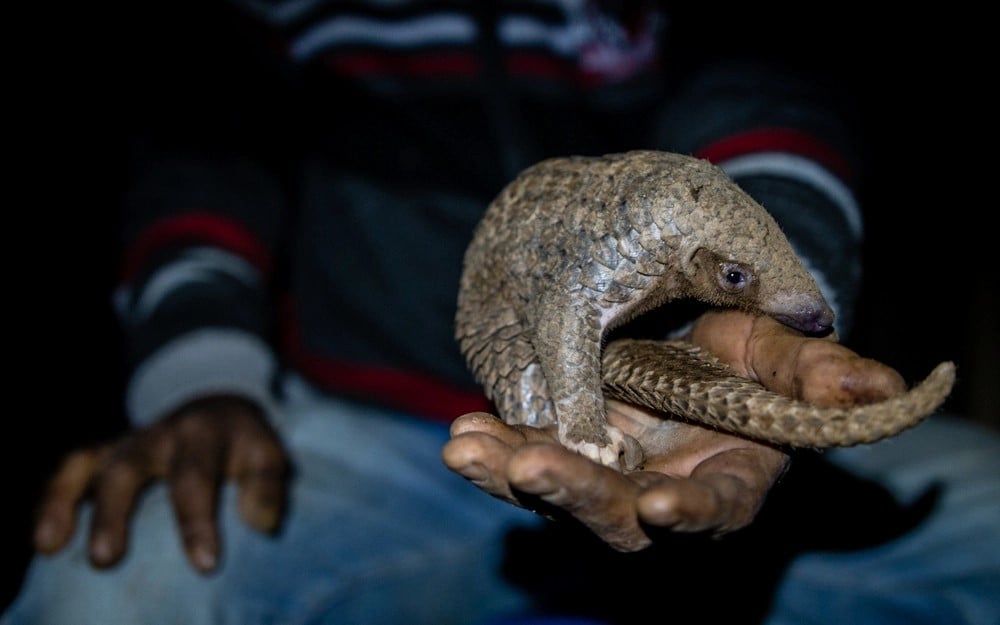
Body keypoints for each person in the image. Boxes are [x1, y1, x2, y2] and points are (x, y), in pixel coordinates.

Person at [5, 2, 998, 624]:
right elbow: (204, 138)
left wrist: (775, 321)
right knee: (111, 587)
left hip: (673, 385)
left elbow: (765, 82)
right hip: (365, 417)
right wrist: (202, 377)